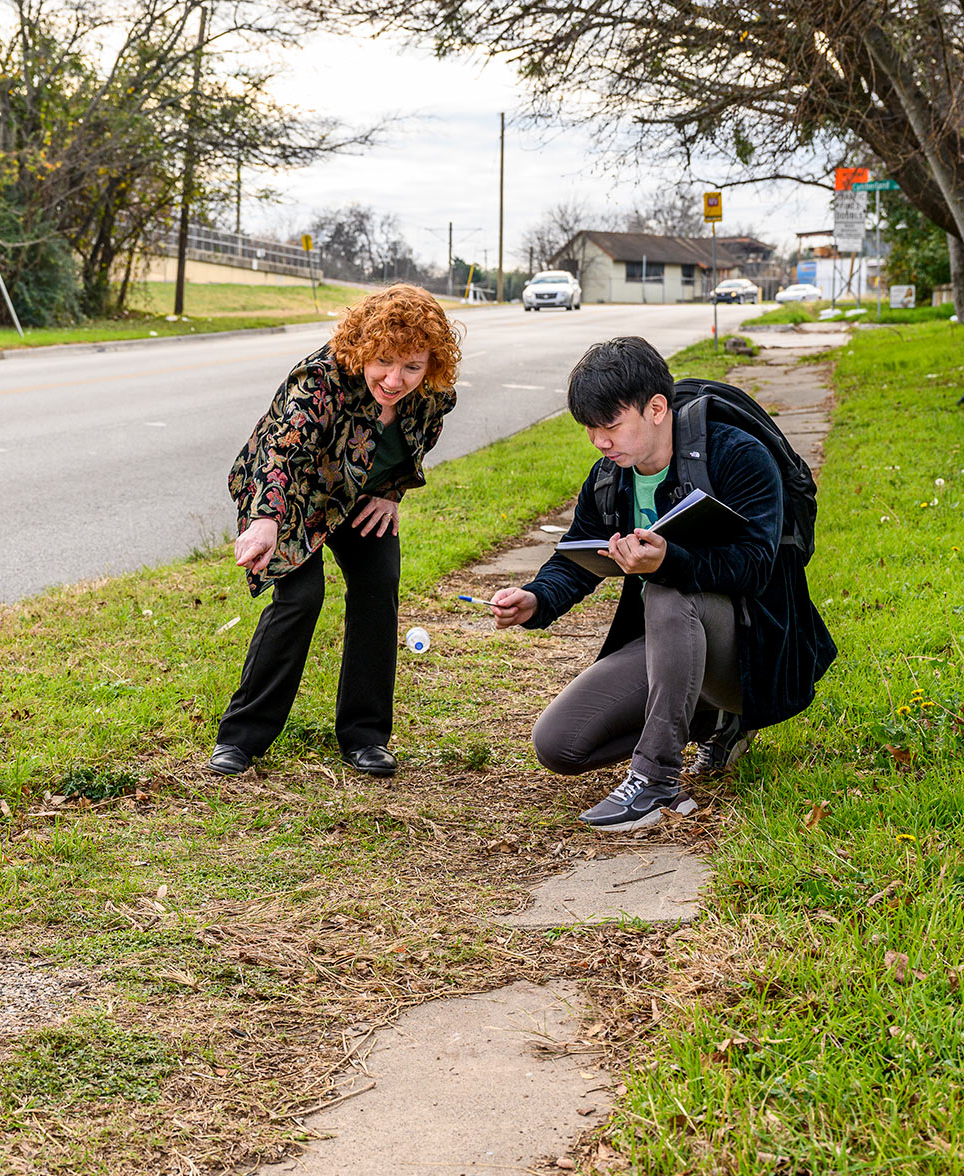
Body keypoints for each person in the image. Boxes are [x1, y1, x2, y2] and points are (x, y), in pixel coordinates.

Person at [490, 335, 835, 831]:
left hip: (754, 654)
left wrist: (670, 560)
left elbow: (759, 566)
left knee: (671, 588)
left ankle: (655, 781)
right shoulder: (611, 476)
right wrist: (536, 598)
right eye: (590, 429)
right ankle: (712, 722)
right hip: (674, 645)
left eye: (610, 425)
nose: (600, 442)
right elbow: (577, 553)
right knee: (558, 744)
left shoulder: (736, 455)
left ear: (656, 408)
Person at [208, 284, 461, 778]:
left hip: (361, 495)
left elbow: (415, 446)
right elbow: (279, 454)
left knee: (378, 585)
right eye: (384, 361)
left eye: (412, 366)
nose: (395, 379)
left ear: (431, 362)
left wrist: (391, 495)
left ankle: (366, 737)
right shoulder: (319, 380)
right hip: (288, 495)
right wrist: (264, 522)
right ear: (364, 347)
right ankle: (240, 739)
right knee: (301, 597)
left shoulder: (433, 396)